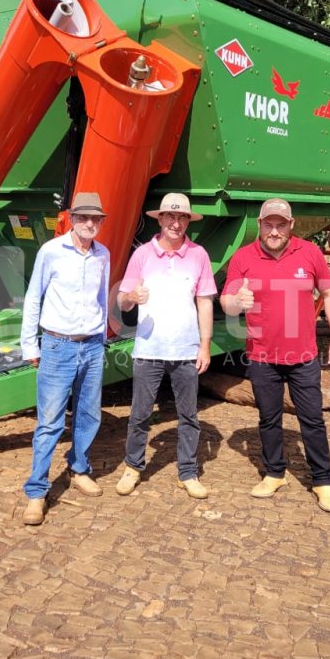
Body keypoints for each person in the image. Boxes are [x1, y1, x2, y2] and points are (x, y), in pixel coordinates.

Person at [220, 198, 330, 512]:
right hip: (262, 355)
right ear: (260, 225)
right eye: (268, 224)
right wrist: (238, 301)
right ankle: (274, 473)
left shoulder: (310, 253)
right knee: (268, 417)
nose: (274, 231)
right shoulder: (243, 258)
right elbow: (226, 303)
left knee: (312, 420)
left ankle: (322, 482)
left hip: (302, 355)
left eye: (280, 224)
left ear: (291, 225)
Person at [114, 193, 216, 499]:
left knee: (189, 416)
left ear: (188, 221)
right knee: (140, 414)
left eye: (182, 217)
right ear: (160, 219)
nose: (175, 223)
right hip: (149, 350)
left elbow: (205, 302)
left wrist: (205, 346)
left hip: (186, 350)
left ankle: (188, 471)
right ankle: (133, 466)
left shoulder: (199, 255)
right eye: (170, 217)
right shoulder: (143, 254)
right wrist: (131, 298)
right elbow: (121, 298)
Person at [19, 192, 110, 525]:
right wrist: (30, 345)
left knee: (89, 414)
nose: (90, 224)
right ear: (72, 219)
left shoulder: (103, 254)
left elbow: (101, 298)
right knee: (50, 421)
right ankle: (36, 492)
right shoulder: (51, 251)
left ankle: (79, 468)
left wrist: (102, 337)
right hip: (58, 345)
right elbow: (33, 299)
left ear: (101, 222)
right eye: (84, 217)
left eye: (96, 219)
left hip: (92, 346)